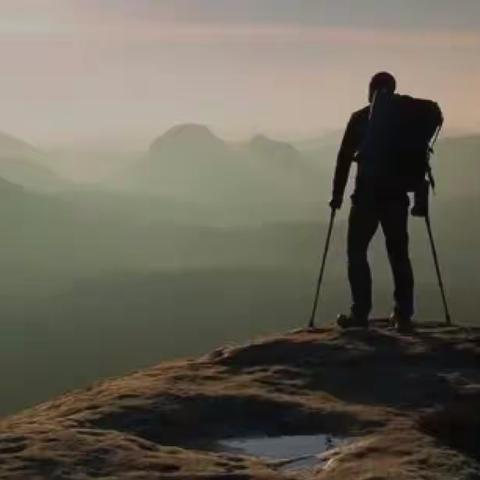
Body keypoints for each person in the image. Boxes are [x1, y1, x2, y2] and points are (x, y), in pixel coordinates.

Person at [330, 72, 416, 333]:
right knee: (398, 254)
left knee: (356, 252)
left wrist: (337, 195)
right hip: (396, 198)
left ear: (370, 90)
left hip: (366, 197)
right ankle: (403, 315)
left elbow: (344, 158)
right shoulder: (406, 120)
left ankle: (360, 313)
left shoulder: (359, 119)